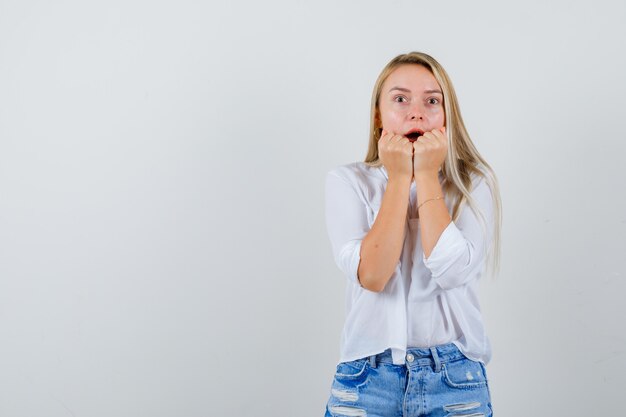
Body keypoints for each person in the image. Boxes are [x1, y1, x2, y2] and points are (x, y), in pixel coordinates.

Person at [323, 52, 502, 417]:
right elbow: (372, 275)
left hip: (454, 381)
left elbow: (452, 272)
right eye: (400, 99)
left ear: (447, 115)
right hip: (365, 381)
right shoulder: (347, 182)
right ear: (378, 114)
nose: (416, 112)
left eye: (432, 101)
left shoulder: (473, 184)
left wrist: (427, 174)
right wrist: (400, 177)